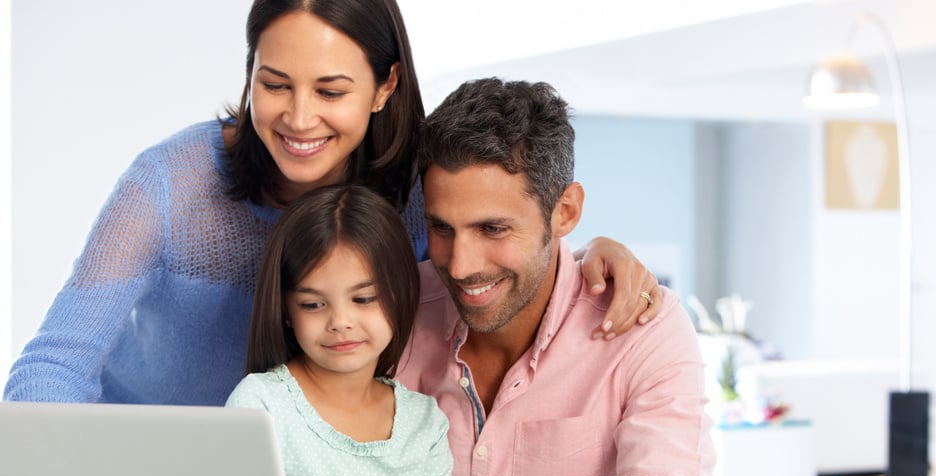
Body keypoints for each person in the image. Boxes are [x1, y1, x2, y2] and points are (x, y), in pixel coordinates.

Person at [3, 0, 661, 406]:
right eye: (274, 84)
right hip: (141, 468)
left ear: (384, 87)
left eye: (331, 90)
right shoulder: (171, 182)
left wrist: (594, 253)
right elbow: (56, 360)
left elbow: (500, 236)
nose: (297, 118)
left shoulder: (410, 196)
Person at [302, 78, 729, 476]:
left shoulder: (642, 329)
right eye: (441, 228)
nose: (460, 265)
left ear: (565, 211)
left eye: (493, 230)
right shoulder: (392, 308)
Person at [226, 183, 466, 476]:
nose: (341, 322)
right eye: (313, 305)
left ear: (401, 295)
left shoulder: (423, 421)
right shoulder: (261, 404)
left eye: (364, 298)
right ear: (286, 311)